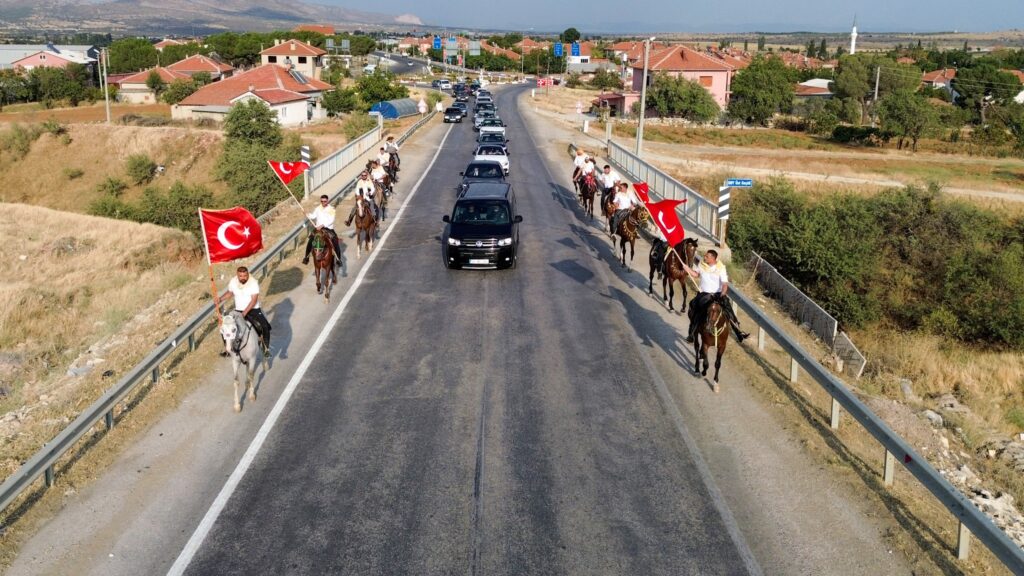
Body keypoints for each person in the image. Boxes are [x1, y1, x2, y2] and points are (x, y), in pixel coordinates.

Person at [681, 249, 750, 343]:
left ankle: (738, 332)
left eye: (707, 256)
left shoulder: (721, 267)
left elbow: (724, 283)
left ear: (713, 258)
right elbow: (696, 274)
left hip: (717, 294)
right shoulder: (702, 264)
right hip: (704, 293)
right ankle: (692, 333)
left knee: (728, 310)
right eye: (705, 256)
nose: (704, 257)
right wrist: (687, 269)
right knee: (694, 307)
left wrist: (723, 293)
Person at [222, 266, 271, 358]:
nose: (243, 277)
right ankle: (227, 349)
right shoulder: (233, 281)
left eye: (245, 275)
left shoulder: (253, 283)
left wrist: (244, 313)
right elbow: (230, 293)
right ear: (237, 275)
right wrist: (220, 299)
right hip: (238, 310)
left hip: (253, 310)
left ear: (248, 274)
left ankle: (266, 348)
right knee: (225, 326)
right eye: (240, 276)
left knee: (265, 326)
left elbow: (254, 300)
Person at [302, 194, 342, 267]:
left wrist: (323, 225)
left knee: (335, 241)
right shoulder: (318, 208)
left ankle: (338, 259)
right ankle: (306, 257)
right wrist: (307, 214)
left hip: (328, 228)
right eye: (322, 201)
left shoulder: (331, 209)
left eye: (325, 201)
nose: (323, 202)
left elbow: (331, 220)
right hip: (318, 229)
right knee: (310, 241)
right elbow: (313, 216)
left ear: (327, 201)